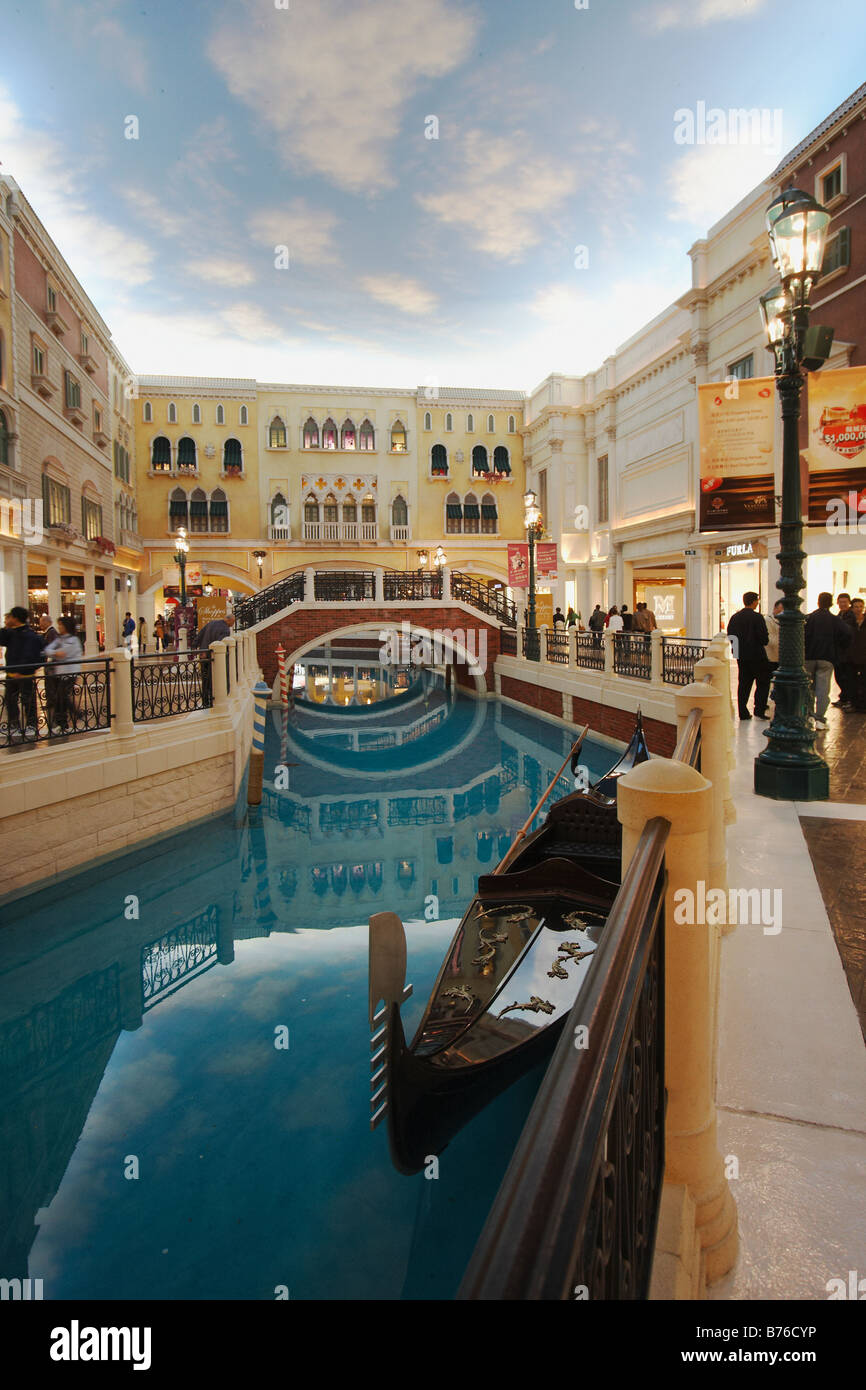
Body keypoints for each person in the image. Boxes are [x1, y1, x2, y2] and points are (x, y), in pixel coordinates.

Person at [804, 591, 851, 730]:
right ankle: (820, 719)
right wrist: (839, 647)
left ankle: (809, 716)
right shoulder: (834, 619)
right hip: (827, 657)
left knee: (809, 688)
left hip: (810, 657)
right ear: (831, 603)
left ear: (818, 602)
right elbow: (847, 633)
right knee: (823, 690)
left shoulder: (810, 618)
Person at [0, 607, 44, 740]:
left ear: (15, 618)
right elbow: (2, 639)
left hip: (24, 675)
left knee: (27, 700)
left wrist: (22, 670)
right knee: (10, 700)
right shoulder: (12, 632)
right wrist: (6, 627)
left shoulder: (28, 634)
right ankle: (14, 724)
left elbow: (29, 654)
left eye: (10, 617)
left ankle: (31, 724)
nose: (8, 619)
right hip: (12, 673)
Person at [726, 591, 770, 720]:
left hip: (742, 656)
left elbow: (731, 636)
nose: (757, 603)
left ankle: (743, 712)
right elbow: (764, 638)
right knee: (763, 682)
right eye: (757, 600)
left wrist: (737, 652)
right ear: (753, 601)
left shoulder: (735, 617)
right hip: (757, 655)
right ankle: (759, 709)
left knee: (744, 683)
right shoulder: (758, 617)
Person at [43, 616, 84, 734]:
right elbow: (48, 650)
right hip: (60, 673)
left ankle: (69, 717)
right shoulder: (60, 639)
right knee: (60, 697)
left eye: (61, 625)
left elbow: (62, 654)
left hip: (70, 673)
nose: (59, 627)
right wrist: (56, 653)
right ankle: (66, 719)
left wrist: (55, 653)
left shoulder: (73, 640)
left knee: (62, 696)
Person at [841, 597, 866, 712]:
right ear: (852, 608)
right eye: (856, 606)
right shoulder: (848, 623)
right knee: (852, 681)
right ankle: (854, 703)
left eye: (861, 606)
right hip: (851, 656)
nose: (859, 609)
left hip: (864, 656)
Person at [832, 592, 853, 707]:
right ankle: (843, 697)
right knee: (839, 675)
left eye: (845, 602)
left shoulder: (850, 616)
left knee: (846, 676)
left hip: (847, 653)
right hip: (839, 653)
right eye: (841, 602)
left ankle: (848, 698)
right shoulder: (839, 615)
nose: (843, 604)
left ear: (849, 603)